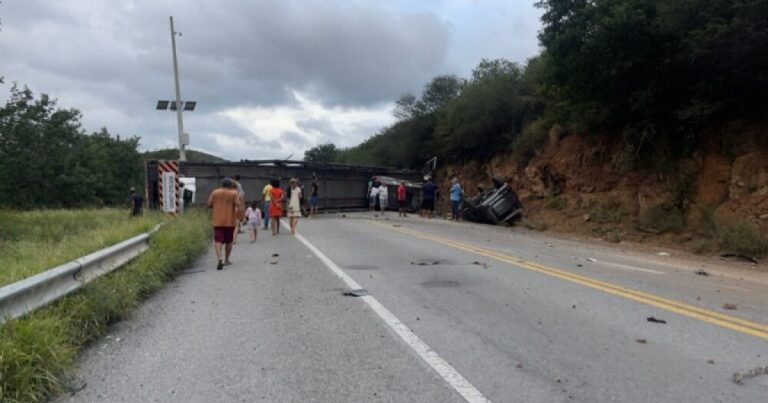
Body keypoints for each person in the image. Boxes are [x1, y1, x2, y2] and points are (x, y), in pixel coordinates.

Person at [207, 178, 239, 270]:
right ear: (230, 185)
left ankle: (219, 258)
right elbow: (237, 204)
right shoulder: (233, 193)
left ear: (221, 184)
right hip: (230, 221)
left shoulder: (215, 192)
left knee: (218, 241)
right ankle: (226, 260)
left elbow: (209, 204)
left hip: (218, 221)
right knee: (229, 241)